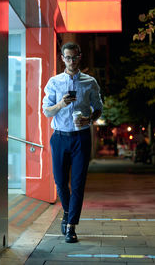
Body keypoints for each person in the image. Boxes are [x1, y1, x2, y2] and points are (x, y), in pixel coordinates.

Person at [42, 42, 103, 243]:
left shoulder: (90, 82)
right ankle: (68, 212)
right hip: (59, 137)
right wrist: (61, 104)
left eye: (75, 57)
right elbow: (46, 111)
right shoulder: (54, 82)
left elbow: (98, 107)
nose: (72, 61)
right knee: (60, 182)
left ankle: (71, 227)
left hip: (81, 138)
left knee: (77, 184)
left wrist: (90, 119)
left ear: (80, 56)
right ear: (62, 58)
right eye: (68, 57)